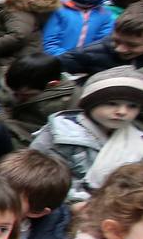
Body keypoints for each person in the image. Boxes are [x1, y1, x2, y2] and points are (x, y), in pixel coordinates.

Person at [29, 65, 143, 202]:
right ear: (91, 104)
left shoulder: (137, 139)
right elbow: (38, 178)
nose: (122, 112)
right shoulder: (60, 133)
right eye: (112, 103)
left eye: (132, 106)